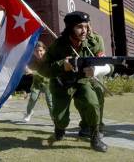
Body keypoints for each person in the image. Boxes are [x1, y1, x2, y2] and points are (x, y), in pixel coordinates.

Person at [39, 11, 113, 152]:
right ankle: (59, 128)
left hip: (83, 81)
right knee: (61, 119)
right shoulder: (58, 45)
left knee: (92, 103)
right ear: (70, 28)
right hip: (62, 84)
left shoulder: (95, 41)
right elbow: (43, 69)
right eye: (79, 27)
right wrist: (62, 65)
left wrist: (96, 70)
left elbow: (107, 64)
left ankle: (95, 136)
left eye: (86, 26)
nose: (84, 30)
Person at [23, 41, 53, 122]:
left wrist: (32, 72)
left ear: (44, 50)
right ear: (33, 52)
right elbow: (27, 69)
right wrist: (25, 69)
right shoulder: (32, 60)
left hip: (48, 84)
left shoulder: (48, 60)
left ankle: (54, 118)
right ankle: (29, 113)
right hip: (36, 84)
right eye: (36, 51)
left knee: (50, 102)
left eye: (41, 51)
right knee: (32, 98)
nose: (39, 53)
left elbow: (46, 74)